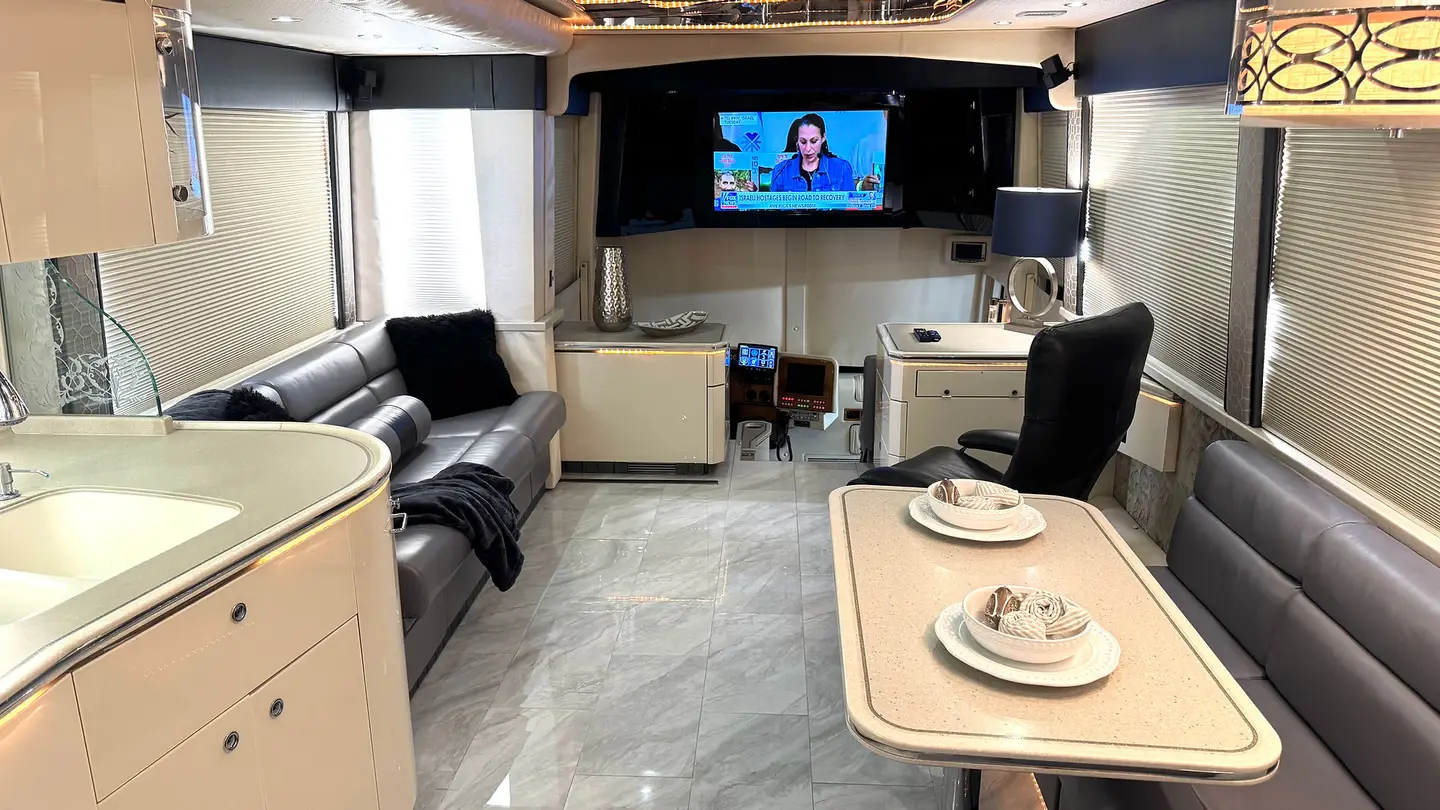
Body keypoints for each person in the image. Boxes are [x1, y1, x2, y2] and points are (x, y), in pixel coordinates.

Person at [769, 113, 855, 193]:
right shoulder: (780, 171)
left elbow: (851, 203)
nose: (808, 149)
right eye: (803, 142)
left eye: (814, 141)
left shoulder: (842, 168)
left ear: (823, 138)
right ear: (797, 141)